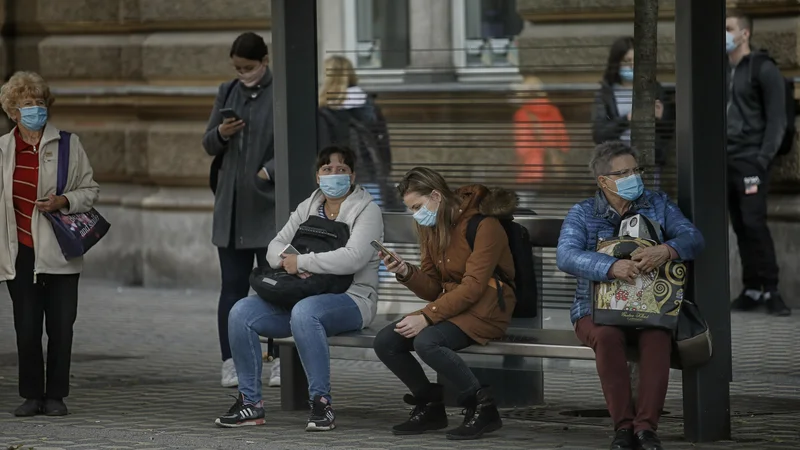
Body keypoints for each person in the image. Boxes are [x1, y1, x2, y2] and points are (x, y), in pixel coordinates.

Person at [215, 145, 384, 431]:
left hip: (352, 299)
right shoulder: (308, 206)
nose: (334, 174)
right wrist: (289, 263)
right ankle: (250, 404)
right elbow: (274, 248)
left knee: (306, 313)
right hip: (301, 293)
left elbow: (353, 258)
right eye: (327, 169)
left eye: (341, 169)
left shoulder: (367, 210)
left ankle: (321, 403)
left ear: (352, 175)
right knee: (241, 311)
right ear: (318, 177)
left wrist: (303, 261)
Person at [556, 141, 705, 450]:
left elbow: (693, 238)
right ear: (603, 181)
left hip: (651, 306)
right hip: (594, 309)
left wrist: (666, 250)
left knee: (657, 336)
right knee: (607, 336)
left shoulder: (658, 203)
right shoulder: (583, 212)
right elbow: (566, 256)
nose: (633, 177)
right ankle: (623, 427)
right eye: (623, 172)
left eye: (636, 170)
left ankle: (646, 429)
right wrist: (611, 267)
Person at [373, 167, 517, 441]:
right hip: (452, 305)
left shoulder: (485, 225)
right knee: (386, 341)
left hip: (488, 307)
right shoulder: (431, 226)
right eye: (410, 209)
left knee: (426, 341)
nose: (416, 214)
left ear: (436, 195)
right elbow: (432, 287)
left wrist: (427, 317)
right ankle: (430, 405)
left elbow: (474, 287)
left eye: (417, 206)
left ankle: (483, 407)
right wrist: (405, 272)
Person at [0, 71, 100, 416]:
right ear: (13, 112)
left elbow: (90, 190)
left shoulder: (68, 145)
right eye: (27, 105)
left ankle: (56, 395)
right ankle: (31, 394)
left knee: (60, 326)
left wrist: (64, 201)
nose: (35, 110)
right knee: (26, 327)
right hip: (20, 253)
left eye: (40, 103)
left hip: (59, 250)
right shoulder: (3, 149)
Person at [202, 32, 281, 388]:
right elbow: (207, 143)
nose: (242, 73)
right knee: (231, 288)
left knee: (276, 288)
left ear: (264, 61)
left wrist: (270, 171)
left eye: (247, 67)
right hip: (231, 210)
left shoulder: (282, 90)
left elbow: (300, 140)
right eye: (236, 68)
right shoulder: (227, 91)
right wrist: (221, 131)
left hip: (267, 208)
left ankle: (280, 359)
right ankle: (231, 361)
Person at [725, 10, 791, 316]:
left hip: (751, 161)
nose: (723, 34)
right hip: (725, 162)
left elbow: (777, 118)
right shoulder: (722, 70)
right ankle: (751, 289)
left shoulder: (762, 69)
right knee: (739, 225)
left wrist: (762, 159)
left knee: (754, 224)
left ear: (745, 33)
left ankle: (772, 290)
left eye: (728, 28)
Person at [317, 55, 400, 210]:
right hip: (370, 174)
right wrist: (384, 170)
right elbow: (383, 143)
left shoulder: (323, 111)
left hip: (336, 180)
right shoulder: (369, 106)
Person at [591, 36, 674, 189]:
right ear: (616, 63)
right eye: (626, 61)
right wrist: (628, 119)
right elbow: (599, 133)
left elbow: (669, 132)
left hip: (648, 164)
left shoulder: (655, 90)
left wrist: (661, 118)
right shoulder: (606, 94)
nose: (632, 66)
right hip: (616, 166)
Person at [513, 75, 570, 185]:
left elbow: (522, 144)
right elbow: (563, 137)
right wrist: (561, 152)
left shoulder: (522, 114)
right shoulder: (553, 110)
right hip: (553, 164)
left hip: (533, 166)